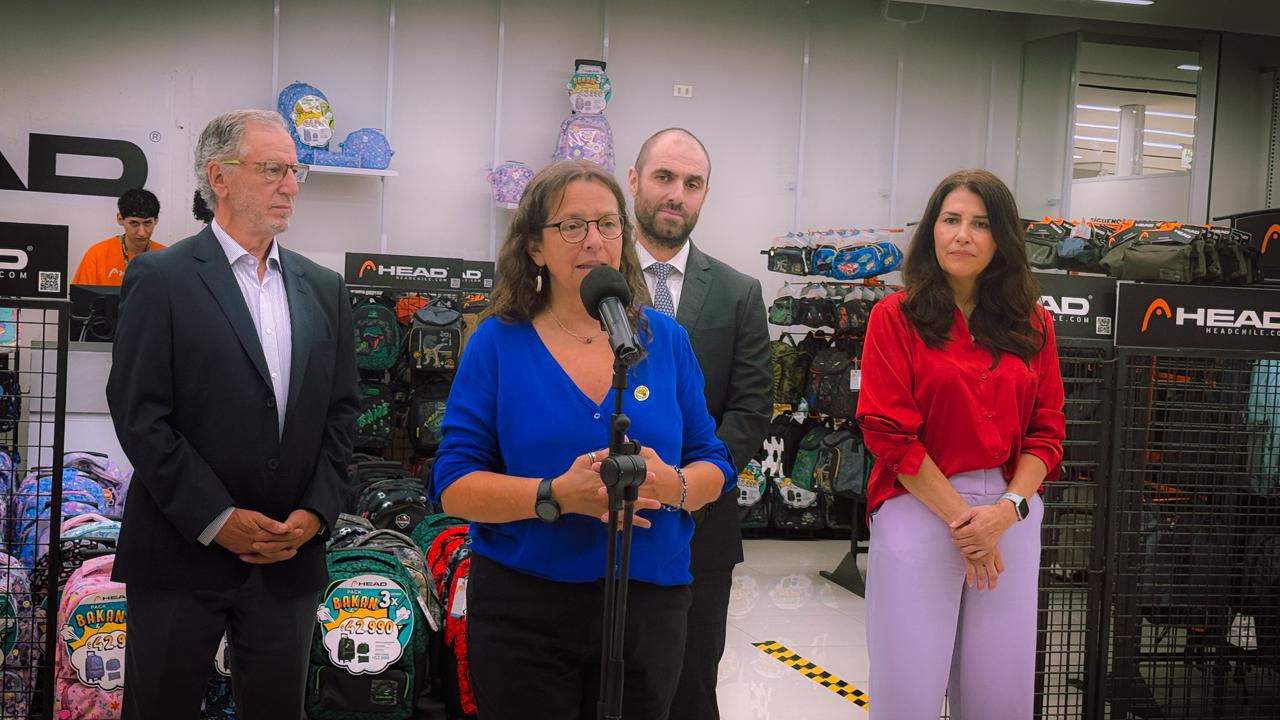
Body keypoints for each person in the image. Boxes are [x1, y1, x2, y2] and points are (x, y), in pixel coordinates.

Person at [429, 159, 737, 720]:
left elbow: (713, 463)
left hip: (650, 605)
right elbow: (454, 484)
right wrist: (553, 495)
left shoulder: (664, 340)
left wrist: (670, 485)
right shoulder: (497, 342)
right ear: (535, 247)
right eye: (572, 225)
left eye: (608, 224)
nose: (594, 240)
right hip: (526, 606)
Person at [106, 109, 359, 719]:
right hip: (179, 551)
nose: (290, 185)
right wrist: (217, 518)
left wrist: (315, 514)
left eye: (294, 170)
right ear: (218, 177)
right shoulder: (161, 277)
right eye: (273, 169)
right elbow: (141, 415)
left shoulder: (325, 289)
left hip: (288, 556)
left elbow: (342, 414)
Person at [855, 168, 1065, 719]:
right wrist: (968, 525)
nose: (963, 235)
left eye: (981, 223)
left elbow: (1047, 432)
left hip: (1010, 512)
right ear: (932, 230)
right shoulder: (893, 317)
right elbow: (888, 433)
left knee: (1000, 689)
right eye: (951, 220)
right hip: (918, 504)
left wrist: (1005, 512)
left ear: (1002, 240)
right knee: (908, 687)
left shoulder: (1034, 324)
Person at [627, 128, 771, 720]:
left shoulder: (739, 293)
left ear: (705, 194)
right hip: (598, 517)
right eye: (664, 177)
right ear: (634, 181)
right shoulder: (591, 281)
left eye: (692, 183)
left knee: (690, 686)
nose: (676, 194)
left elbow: (750, 409)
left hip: (701, 529)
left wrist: (689, 483)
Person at [72, 187, 167, 285]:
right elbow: (82, 294)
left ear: (156, 220)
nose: (141, 232)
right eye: (134, 223)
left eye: (147, 223)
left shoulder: (166, 258)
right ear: (120, 219)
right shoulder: (97, 255)